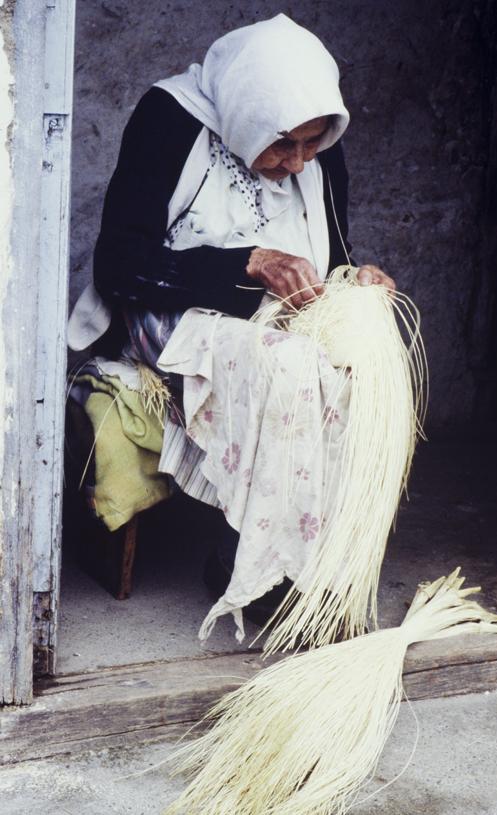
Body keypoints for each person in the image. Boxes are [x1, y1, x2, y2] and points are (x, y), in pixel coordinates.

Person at [69, 14, 395, 638]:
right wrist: (247, 262)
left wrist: (359, 284)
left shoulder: (315, 145)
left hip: (275, 314)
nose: (298, 164)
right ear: (250, 114)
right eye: (283, 145)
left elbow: (334, 257)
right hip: (170, 311)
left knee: (362, 357)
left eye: (312, 146)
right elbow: (119, 265)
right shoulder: (169, 118)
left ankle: (323, 568)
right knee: (288, 368)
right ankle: (250, 567)